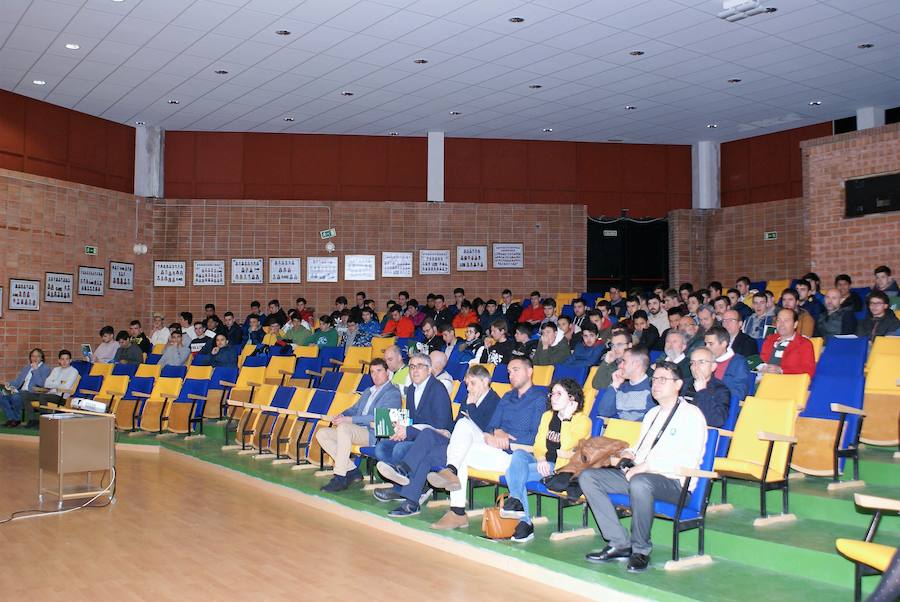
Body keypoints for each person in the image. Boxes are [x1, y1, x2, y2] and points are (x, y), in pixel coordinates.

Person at [581, 361, 707, 573]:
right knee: (588, 477)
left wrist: (646, 465)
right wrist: (630, 453)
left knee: (640, 482)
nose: (656, 384)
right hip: (643, 476)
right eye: (654, 379)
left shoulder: (691, 415)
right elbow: (643, 449)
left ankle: (640, 550)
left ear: (678, 385)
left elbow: (687, 461)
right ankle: (620, 543)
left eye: (662, 379)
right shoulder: (652, 414)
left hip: (676, 484)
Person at [427, 357, 546, 530]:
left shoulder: (539, 399)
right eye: (509, 371)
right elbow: (492, 426)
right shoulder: (507, 396)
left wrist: (506, 442)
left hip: (515, 458)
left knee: (462, 451)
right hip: (493, 449)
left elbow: (535, 438)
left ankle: (457, 510)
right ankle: (451, 472)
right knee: (462, 424)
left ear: (530, 372)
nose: (511, 375)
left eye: (516, 370)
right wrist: (498, 433)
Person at [375, 365, 501, 517]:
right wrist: (446, 432)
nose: (469, 388)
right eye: (467, 384)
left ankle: (408, 489)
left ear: (486, 381)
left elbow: (483, 429)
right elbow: (458, 423)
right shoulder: (468, 399)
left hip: (475, 448)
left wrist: (472, 405)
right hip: (456, 442)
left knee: (428, 452)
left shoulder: (495, 401)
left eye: (473, 384)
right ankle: (406, 482)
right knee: (428, 434)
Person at [501, 378, 592, 542]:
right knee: (519, 455)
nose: (553, 397)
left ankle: (524, 521)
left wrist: (566, 419)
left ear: (572, 398)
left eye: (559, 394)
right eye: (552, 394)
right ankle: (518, 505)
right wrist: (541, 458)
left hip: (562, 468)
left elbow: (567, 446)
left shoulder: (583, 421)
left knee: (511, 473)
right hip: (542, 464)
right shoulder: (547, 416)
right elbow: (538, 445)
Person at [318, 359, 402, 492]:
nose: (375, 375)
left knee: (344, 427)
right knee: (322, 433)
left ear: (387, 372)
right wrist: (341, 415)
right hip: (356, 430)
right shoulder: (368, 391)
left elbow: (379, 418)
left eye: (379, 371)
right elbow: (353, 409)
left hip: (374, 434)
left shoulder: (393, 392)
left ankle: (340, 476)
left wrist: (349, 420)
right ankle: (352, 470)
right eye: (372, 372)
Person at [374, 353, 453, 467]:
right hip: (415, 436)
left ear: (429, 369)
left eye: (420, 366)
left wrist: (409, 431)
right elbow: (411, 420)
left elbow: (440, 426)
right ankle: (398, 476)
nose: (415, 370)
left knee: (399, 449)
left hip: (434, 439)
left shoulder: (438, 389)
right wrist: (397, 430)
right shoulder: (411, 389)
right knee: (381, 447)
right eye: (412, 367)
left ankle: (403, 479)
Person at [595, 347, 654, 422]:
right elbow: (604, 412)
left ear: (637, 365)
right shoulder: (621, 387)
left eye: (624, 361)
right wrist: (614, 385)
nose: (619, 366)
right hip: (619, 430)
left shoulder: (653, 390)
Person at [681, 347, 730, 428]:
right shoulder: (682, 384)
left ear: (713, 367)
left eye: (701, 362)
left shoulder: (721, 390)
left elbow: (717, 421)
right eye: (692, 362)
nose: (695, 366)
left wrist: (702, 391)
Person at [0, 349, 51, 427]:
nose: (35, 358)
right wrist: (8, 384)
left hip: (33, 393)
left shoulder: (45, 369)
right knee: (1, 393)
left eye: (38, 356)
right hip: (20, 391)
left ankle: (16, 419)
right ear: (30, 358)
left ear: (42, 358)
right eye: (33, 356)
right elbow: (18, 381)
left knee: (15, 396)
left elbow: (41, 384)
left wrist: (36, 369)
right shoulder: (27, 367)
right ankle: (11, 418)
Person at [759, 309, 816, 378]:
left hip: (787, 383)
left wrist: (782, 370)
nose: (781, 324)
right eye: (779, 320)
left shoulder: (804, 344)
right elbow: (762, 360)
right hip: (763, 380)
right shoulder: (770, 339)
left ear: (795, 324)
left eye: (786, 321)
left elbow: (808, 371)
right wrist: (761, 367)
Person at [705, 326, 752, 401]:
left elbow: (739, 393)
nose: (706, 347)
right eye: (706, 344)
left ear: (724, 344)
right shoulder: (704, 360)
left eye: (710, 344)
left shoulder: (738, 363)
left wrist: (713, 394)